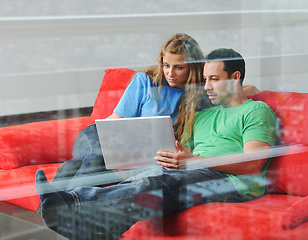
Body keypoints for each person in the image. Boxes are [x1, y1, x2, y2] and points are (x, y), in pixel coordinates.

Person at [35, 48, 276, 239]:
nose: (206, 87)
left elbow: (252, 163)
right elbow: (189, 152)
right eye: (204, 79)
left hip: (230, 183)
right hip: (197, 170)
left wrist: (193, 161)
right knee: (142, 177)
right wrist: (179, 155)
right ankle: (97, 231)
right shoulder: (203, 115)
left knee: (155, 182)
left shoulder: (255, 110)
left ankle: (73, 204)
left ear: (235, 78)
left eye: (214, 79)